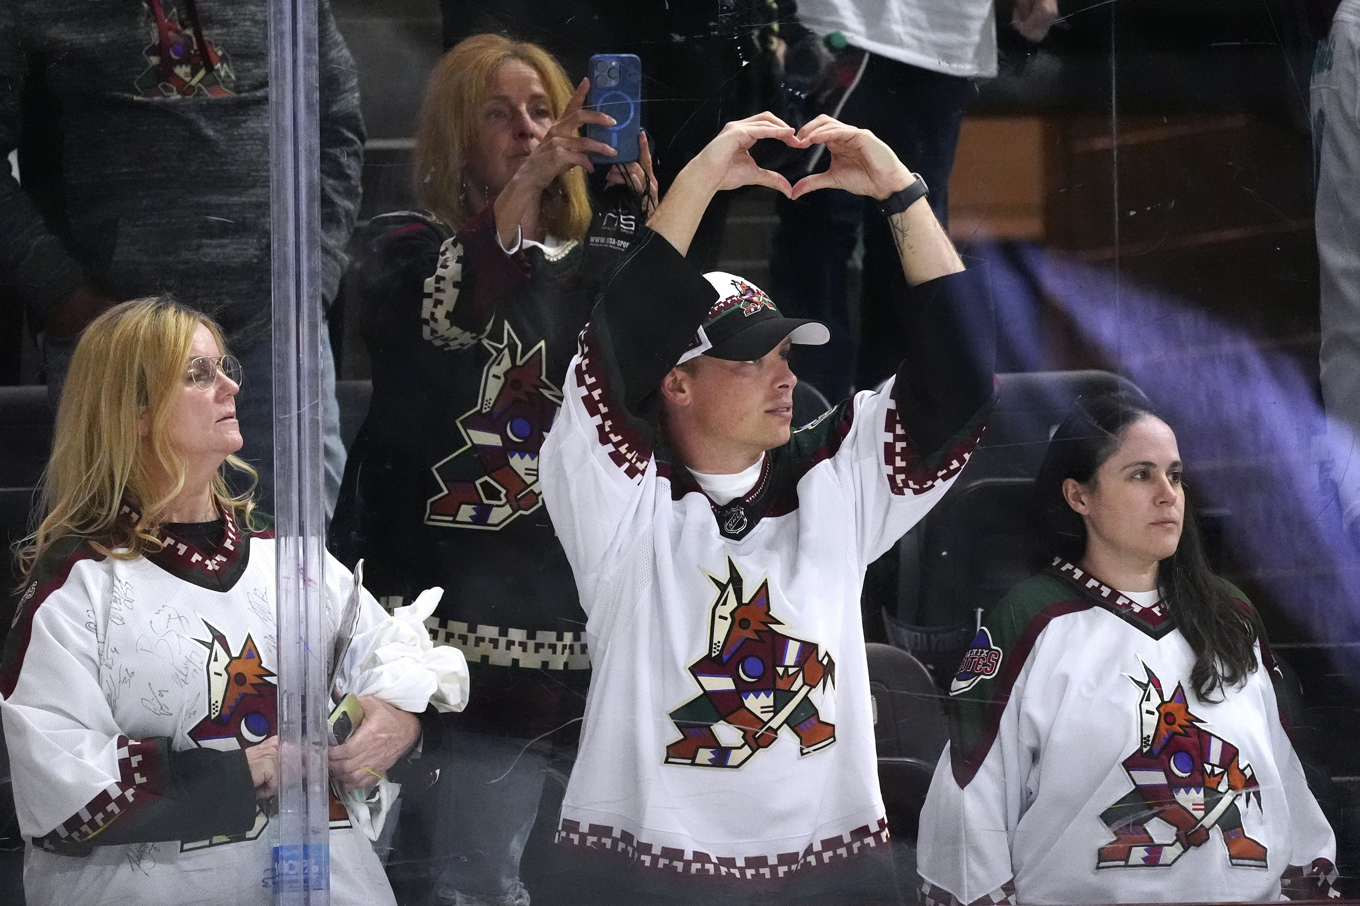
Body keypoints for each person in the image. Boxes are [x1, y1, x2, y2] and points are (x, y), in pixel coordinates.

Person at [539, 112, 995, 903]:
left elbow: (961, 387)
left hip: (834, 881)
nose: (786, 378)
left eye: (787, 354)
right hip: (643, 882)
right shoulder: (617, 492)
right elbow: (619, 344)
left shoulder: (833, 473)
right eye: (753, 360)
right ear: (675, 380)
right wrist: (702, 178)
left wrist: (900, 191)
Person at [327, 33, 654, 906]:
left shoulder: (580, 269)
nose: (529, 129)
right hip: (425, 622)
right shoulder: (399, 243)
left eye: (546, 112)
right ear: (450, 134)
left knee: (517, 880)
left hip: (554, 631)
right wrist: (528, 184)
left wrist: (637, 215)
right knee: (414, 875)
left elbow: (648, 357)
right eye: (501, 113)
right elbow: (450, 309)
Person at [0, 298, 468, 906]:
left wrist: (398, 722)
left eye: (225, 368)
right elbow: (58, 789)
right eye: (198, 374)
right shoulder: (78, 587)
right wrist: (238, 773)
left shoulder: (291, 561)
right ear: (133, 412)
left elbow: (397, 661)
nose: (229, 386)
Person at [916, 393, 1340, 904]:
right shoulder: (1029, 619)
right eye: (1141, 475)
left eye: (1176, 476)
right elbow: (970, 799)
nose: (1168, 495)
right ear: (1079, 496)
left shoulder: (1231, 614)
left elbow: (1286, 781)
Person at [0, 0, 363, 514]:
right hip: (121, 347)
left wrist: (311, 280)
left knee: (303, 568)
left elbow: (339, 130)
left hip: (274, 336)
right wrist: (63, 296)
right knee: (114, 559)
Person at [768, 0, 1057, 401]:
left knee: (907, 239)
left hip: (942, 35)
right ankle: (809, 433)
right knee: (822, 233)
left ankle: (891, 439)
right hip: (846, 24)